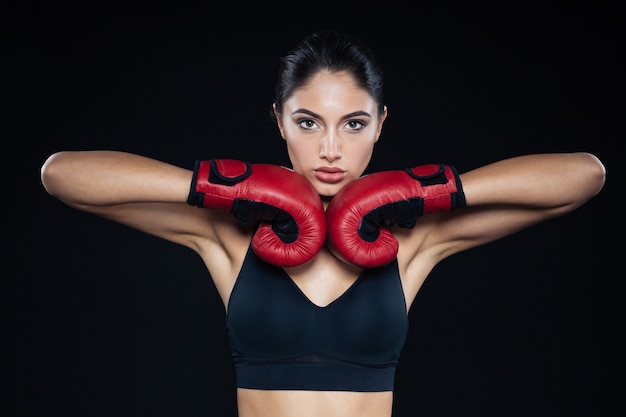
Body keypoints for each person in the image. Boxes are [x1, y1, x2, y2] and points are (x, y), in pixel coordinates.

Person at [40, 30, 606, 417]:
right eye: (308, 122)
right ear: (278, 120)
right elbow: (62, 175)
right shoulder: (228, 232)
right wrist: (218, 186)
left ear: (381, 124)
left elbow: (584, 175)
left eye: (353, 123)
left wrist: (429, 190)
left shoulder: (414, 238)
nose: (330, 148)